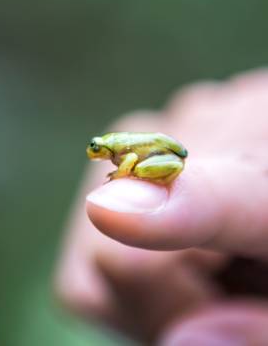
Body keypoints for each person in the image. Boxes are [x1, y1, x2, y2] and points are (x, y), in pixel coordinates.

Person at [55, 68, 268, 345]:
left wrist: (123, 174)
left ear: (105, 148)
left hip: (164, 159)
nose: (94, 152)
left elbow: (132, 160)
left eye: (96, 148)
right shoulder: (116, 144)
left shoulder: (122, 148)